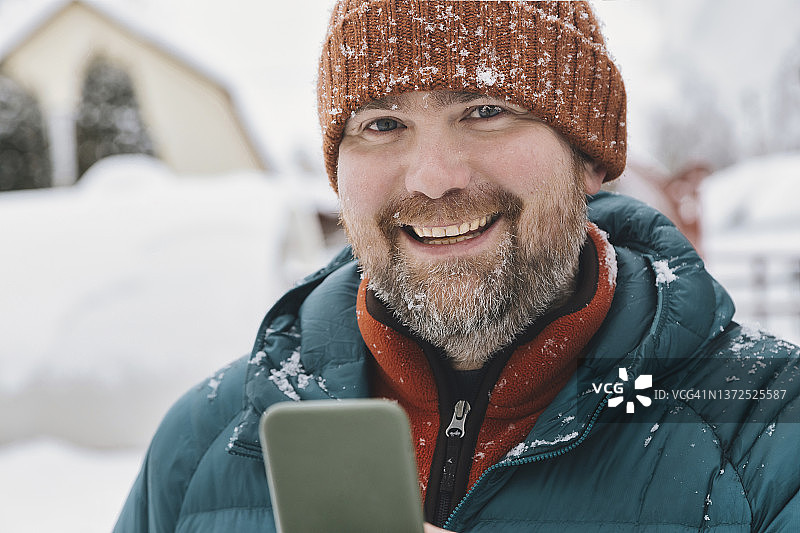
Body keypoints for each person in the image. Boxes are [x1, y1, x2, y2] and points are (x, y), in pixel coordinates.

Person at [114, 1, 800, 531]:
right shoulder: (204, 442)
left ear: (589, 156)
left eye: (485, 110)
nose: (434, 178)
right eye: (382, 124)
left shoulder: (770, 435)